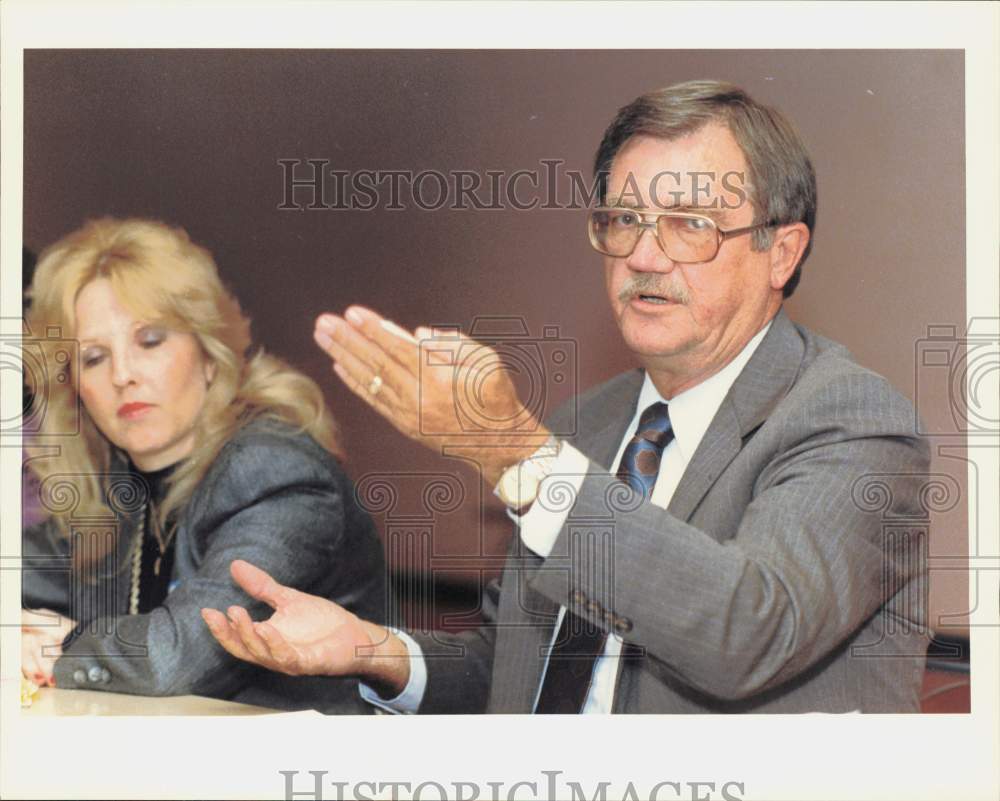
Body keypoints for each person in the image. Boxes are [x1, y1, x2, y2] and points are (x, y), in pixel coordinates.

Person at [203, 81, 931, 713]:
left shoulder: (851, 423)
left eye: (688, 224)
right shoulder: (587, 425)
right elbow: (520, 675)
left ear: (783, 250)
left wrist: (512, 450)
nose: (644, 255)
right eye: (624, 219)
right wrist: (373, 650)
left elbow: (746, 629)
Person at [21, 217, 389, 713]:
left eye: (150, 341)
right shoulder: (119, 483)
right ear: (75, 388)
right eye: (93, 357)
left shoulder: (275, 469)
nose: (123, 375)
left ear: (210, 354)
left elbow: (181, 657)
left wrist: (64, 646)